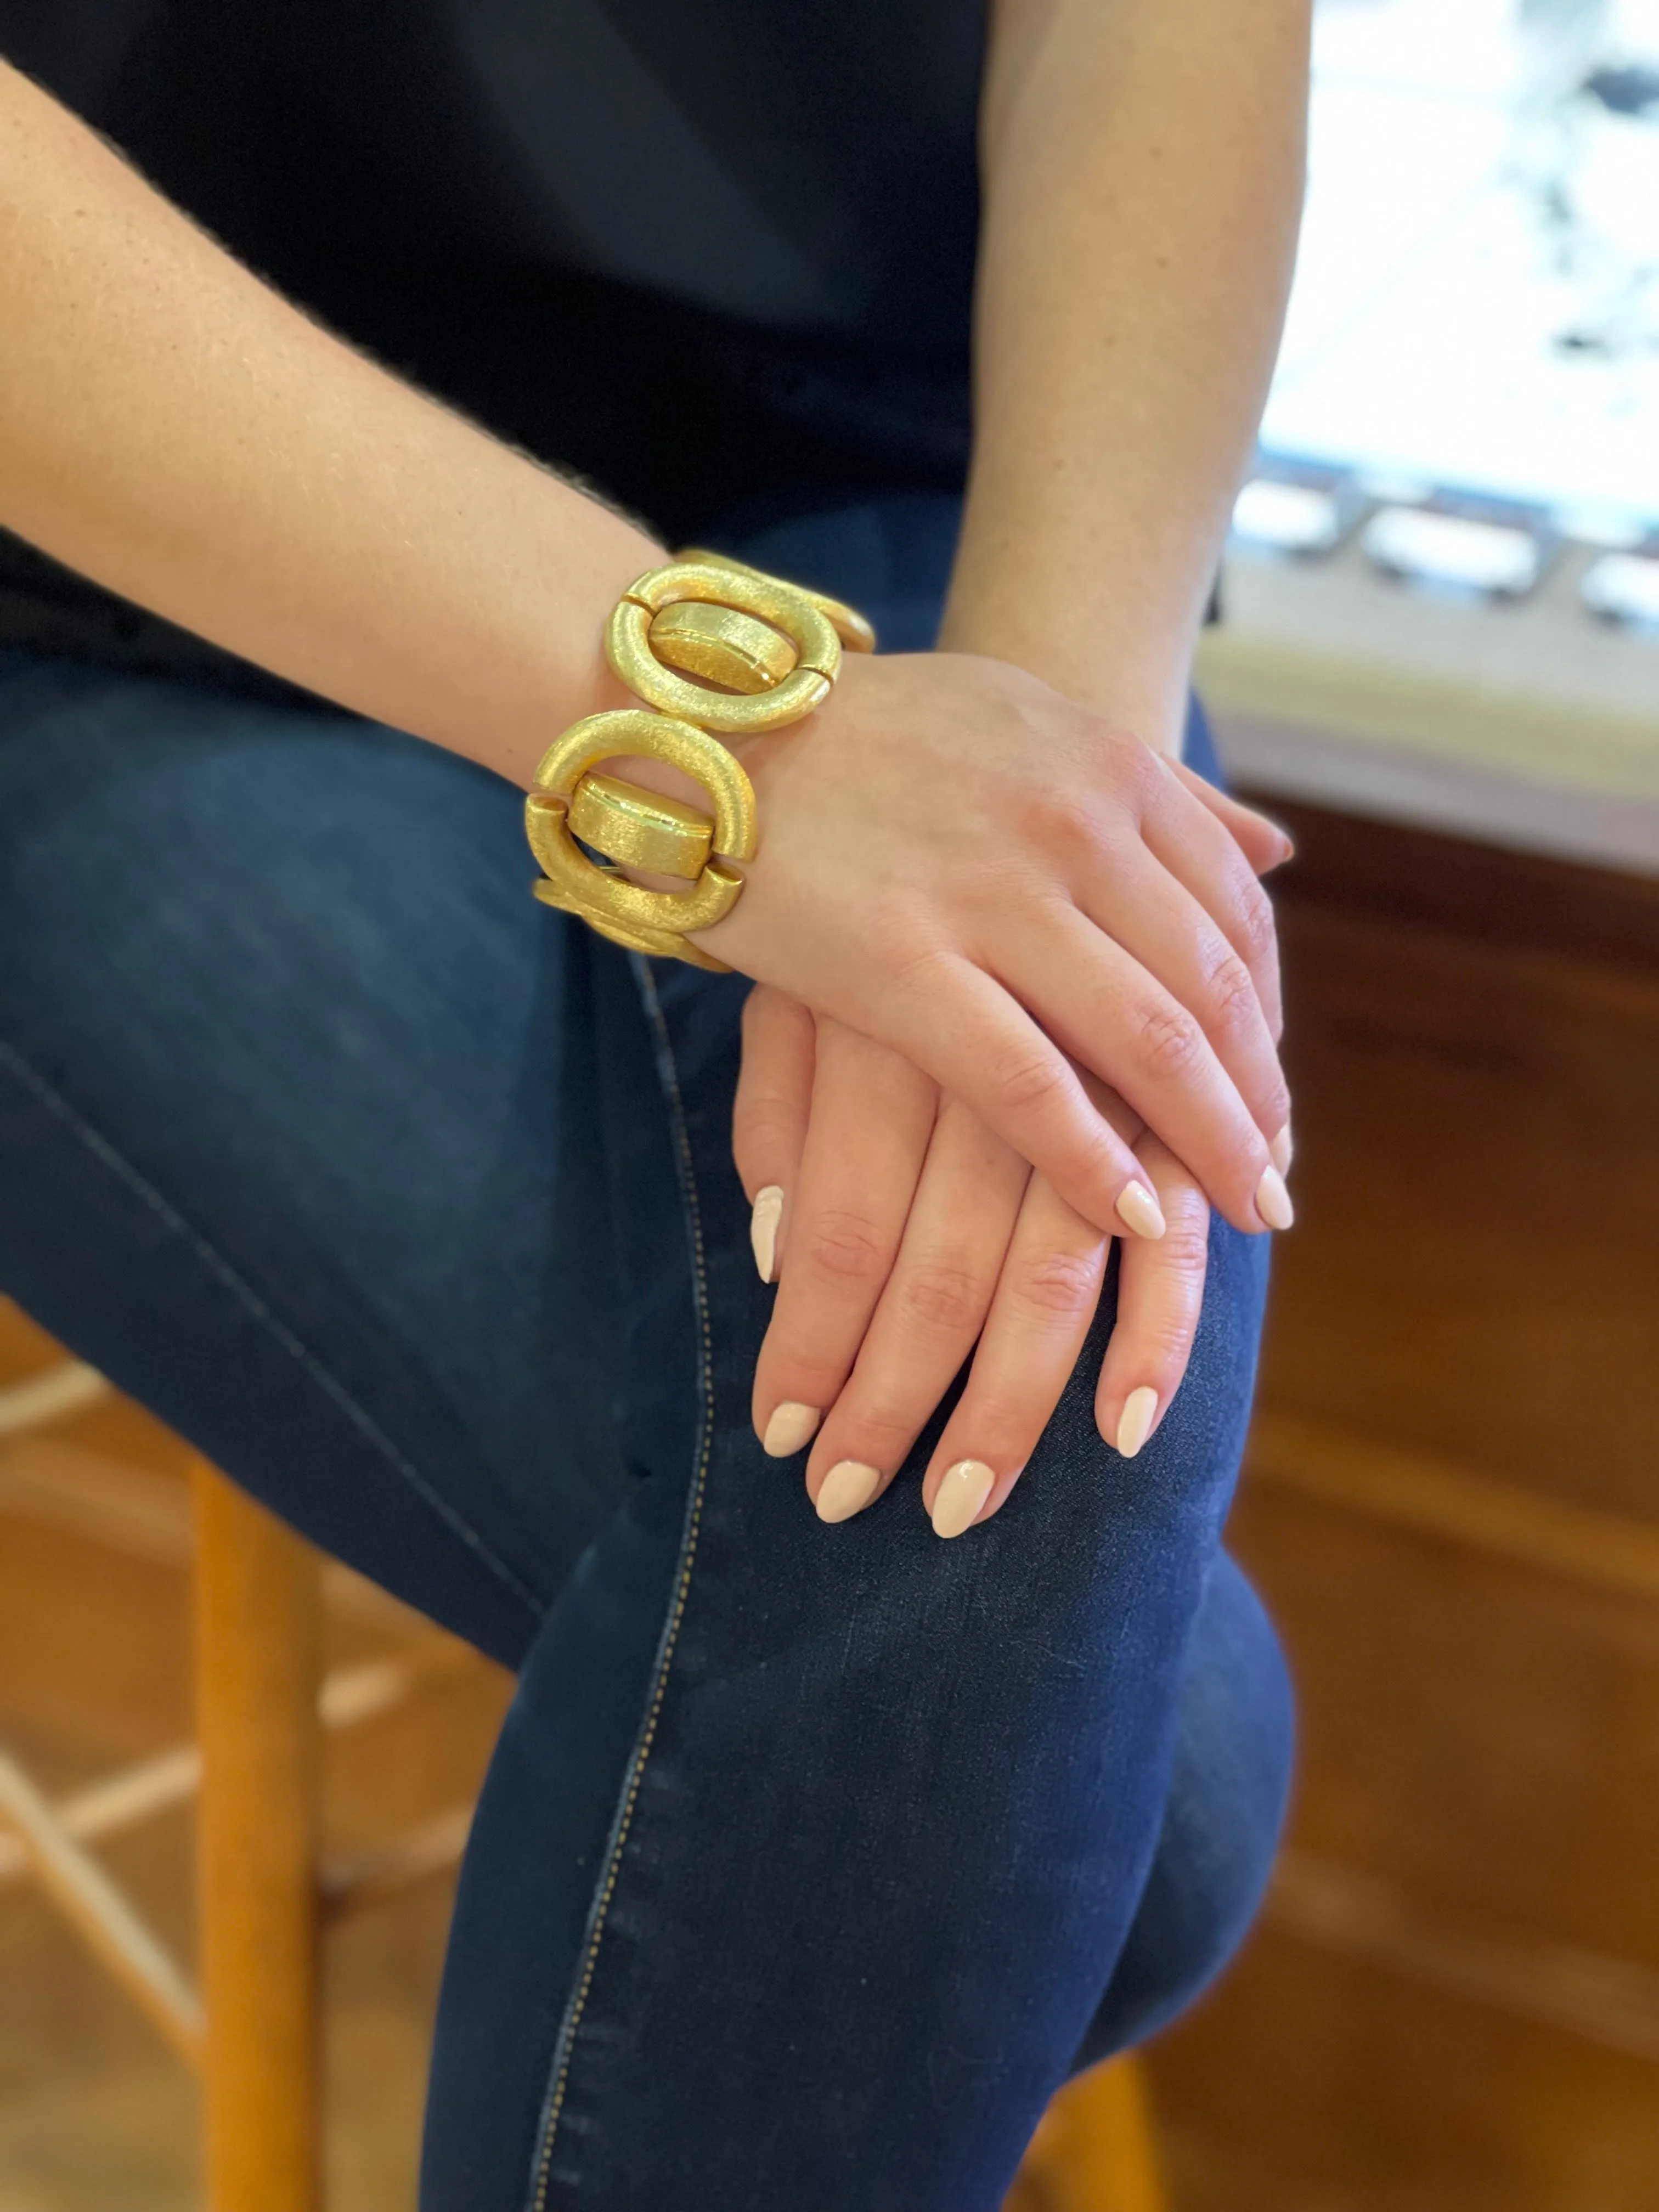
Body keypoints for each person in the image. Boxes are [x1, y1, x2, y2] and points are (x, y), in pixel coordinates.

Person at [0, 2, 1308, 2202]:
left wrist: (1036, 767)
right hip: (81, 545)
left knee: (1032, 1652)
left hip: (906, 473)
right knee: (1126, 1791)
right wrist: (750, 751)